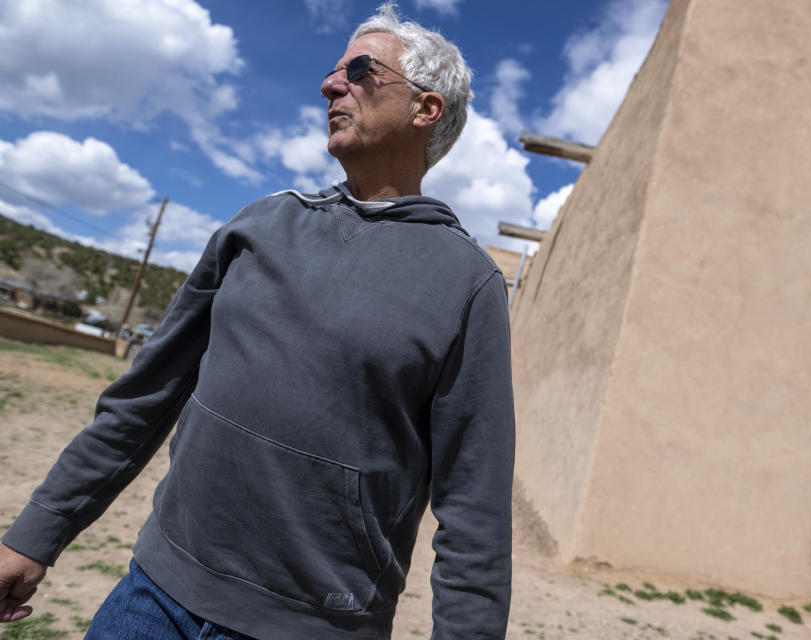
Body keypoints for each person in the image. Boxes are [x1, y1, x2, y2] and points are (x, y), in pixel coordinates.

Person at [0, 4, 515, 638]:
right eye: (334, 72)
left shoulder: (468, 283)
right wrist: (37, 532)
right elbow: (143, 399)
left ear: (425, 109)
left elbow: (475, 509)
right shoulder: (259, 226)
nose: (331, 85)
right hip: (154, 597)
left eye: (360, 70)